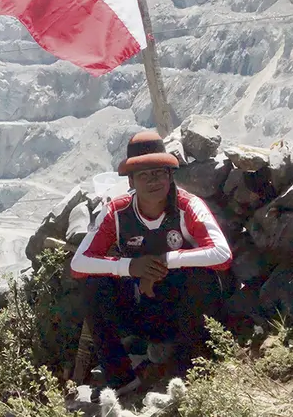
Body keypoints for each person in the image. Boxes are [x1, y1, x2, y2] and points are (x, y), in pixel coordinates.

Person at [71, 130, 233, 401]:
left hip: (184, 311)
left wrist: (166, 262)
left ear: (171, 176)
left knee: (202, 277)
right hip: (139, 309)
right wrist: (130, 267)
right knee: (92, 282)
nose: (153, 181)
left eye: (159, 173)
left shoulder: (188, 206)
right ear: (131, 181)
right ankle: (121, 378)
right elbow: (79, 263)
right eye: (143, 175)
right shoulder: (117, 212)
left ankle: (187, 370)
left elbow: (222, 254)